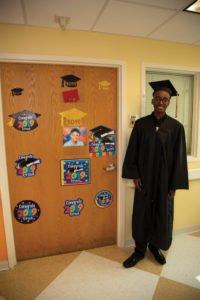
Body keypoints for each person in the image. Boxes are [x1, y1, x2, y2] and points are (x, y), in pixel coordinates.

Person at [122, 80, 189, 268]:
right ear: (152, 100)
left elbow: (179, 159)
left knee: (162, 215)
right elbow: (132, 151)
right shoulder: (141, 125)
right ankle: (139, 251)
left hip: (164, 183)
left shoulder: (177, 128)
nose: (161, 102)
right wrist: (135, 175)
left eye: (165, 100)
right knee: (141, 215)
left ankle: (156, 247)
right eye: (157, 98)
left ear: (169, 103)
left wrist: (173, 185)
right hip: (144, 181)